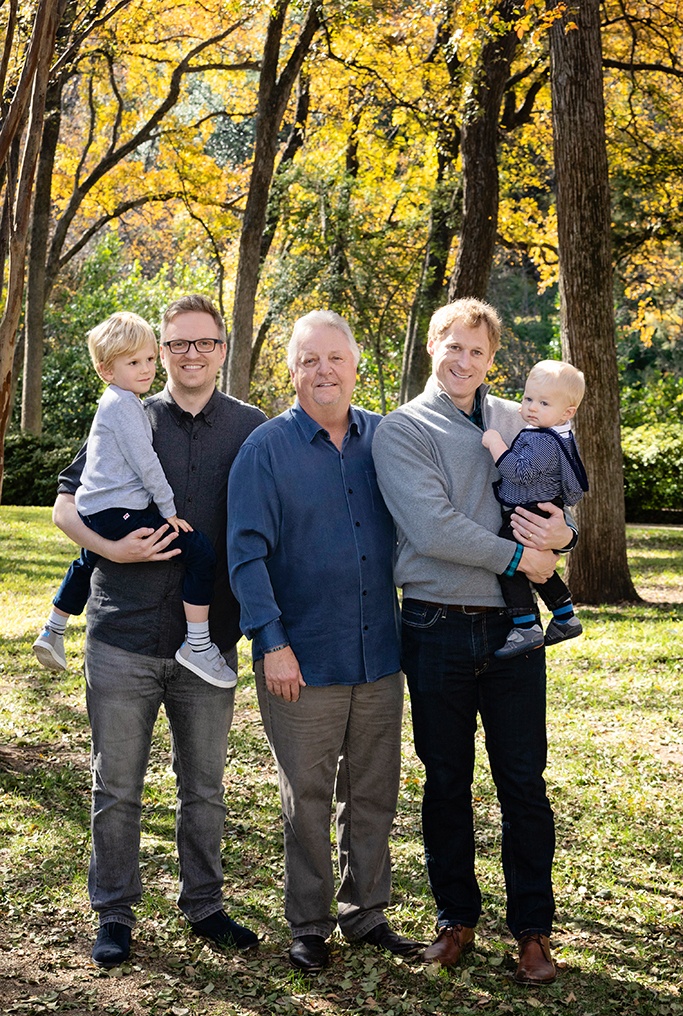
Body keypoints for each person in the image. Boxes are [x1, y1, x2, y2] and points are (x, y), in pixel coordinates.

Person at [51, 294, 266, 969]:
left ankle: (203, 905)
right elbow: (64, 506)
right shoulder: (124, 411)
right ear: (161, 350)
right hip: (123, 636)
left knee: (202, 787)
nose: (190, 354)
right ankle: (113, 913)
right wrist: (109, 550)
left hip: (209, 645)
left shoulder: (253, 428)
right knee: (116, 785)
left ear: (222, 349)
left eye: (203, 342)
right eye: (177, 344)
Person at [372, 298, 577, 986]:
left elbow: (552, 496)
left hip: (512, 634)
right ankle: (455, 920)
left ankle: (532, 933)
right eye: (452, 347)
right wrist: (522, 560)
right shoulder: (401, 430)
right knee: (446, 782)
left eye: (477, 352)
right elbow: (431, 530)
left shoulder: (513, 418)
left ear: (493, 360)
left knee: (522, 782)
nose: (464, 362)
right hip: (433, 626)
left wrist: (562, 535)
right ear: (433, 346)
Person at [227, 310, 422, 974]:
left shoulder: (387, 439)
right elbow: (245, 555)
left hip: (378, 654)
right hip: (300, 659)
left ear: (355, 365)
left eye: (334, 357)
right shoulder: (265, 448)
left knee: (372, 790)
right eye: (309, 359)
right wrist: (271, 642)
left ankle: (365, 912)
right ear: (291, 370)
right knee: (304, 797)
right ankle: (308, 923)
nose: (323, 371)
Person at [33, 311, 235, 688]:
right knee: (199, 551)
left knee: (84, 561)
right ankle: (198, 643)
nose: (144, 370)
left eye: (145, 360)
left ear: (222, 350)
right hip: (118, 524)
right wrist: (168, 512)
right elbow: (146, 465)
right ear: (106, 369)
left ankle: (53, 629)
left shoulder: (244, 423)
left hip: (100, 510)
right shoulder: (128, 408)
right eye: (133, 362)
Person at [481, 358, 589, 659]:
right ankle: (565, 616)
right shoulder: (554, 435)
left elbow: (520, 472)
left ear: (567, 413)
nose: (531, 407)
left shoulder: (542, 440)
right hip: (537, 509)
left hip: (529, 511)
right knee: (538, 568)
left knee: (511, 564)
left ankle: (526, 625)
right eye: (528, 398)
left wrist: (494, 443)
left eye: (543, 403)